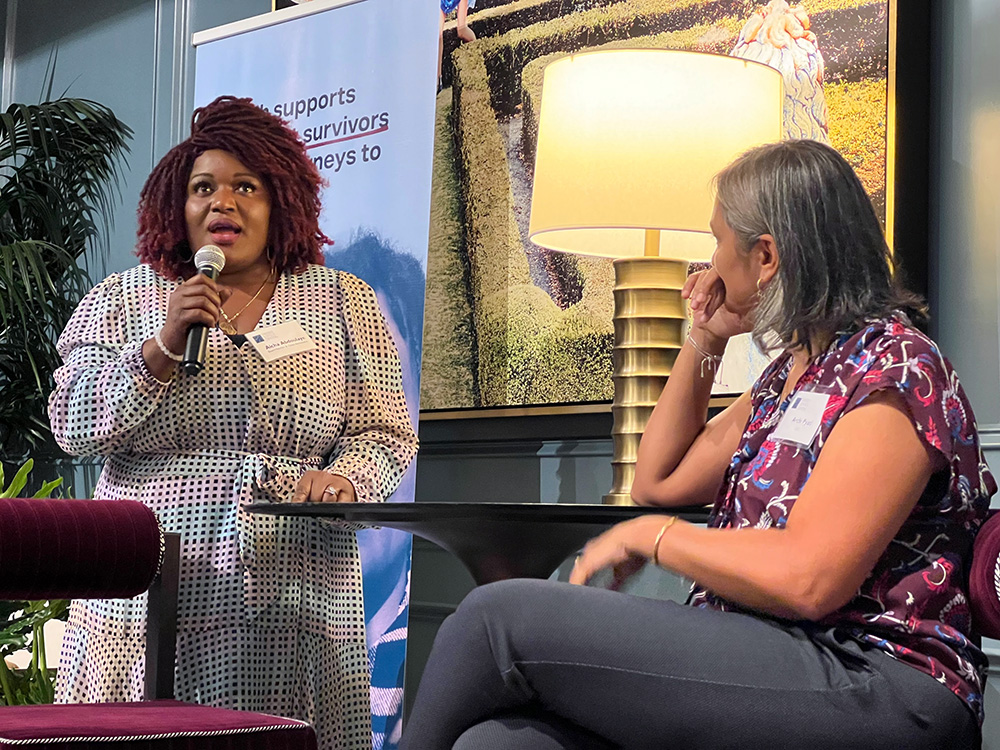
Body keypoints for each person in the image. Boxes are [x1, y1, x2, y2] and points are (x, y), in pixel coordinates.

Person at [399, 140, 996, 750]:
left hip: (876, 676)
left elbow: (810, 579)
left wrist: (657, 537)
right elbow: (657, 481)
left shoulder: (895, 370)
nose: (707, 263)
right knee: (503, 744)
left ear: (765, 256)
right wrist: (706, 337)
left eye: (716, 241)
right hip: (770, 651)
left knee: (493, 621)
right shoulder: (795, 373)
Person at [48, 95, 418, 750]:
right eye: (204, 188)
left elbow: (384, 431)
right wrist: (159, 350)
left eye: (245, 186)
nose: (224, 203)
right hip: (153, 591)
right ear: (178, 206)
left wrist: (344, 481)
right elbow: (73, 424)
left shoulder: (341, 301)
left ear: (279, 200)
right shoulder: (124, 299)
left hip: (294, 592)